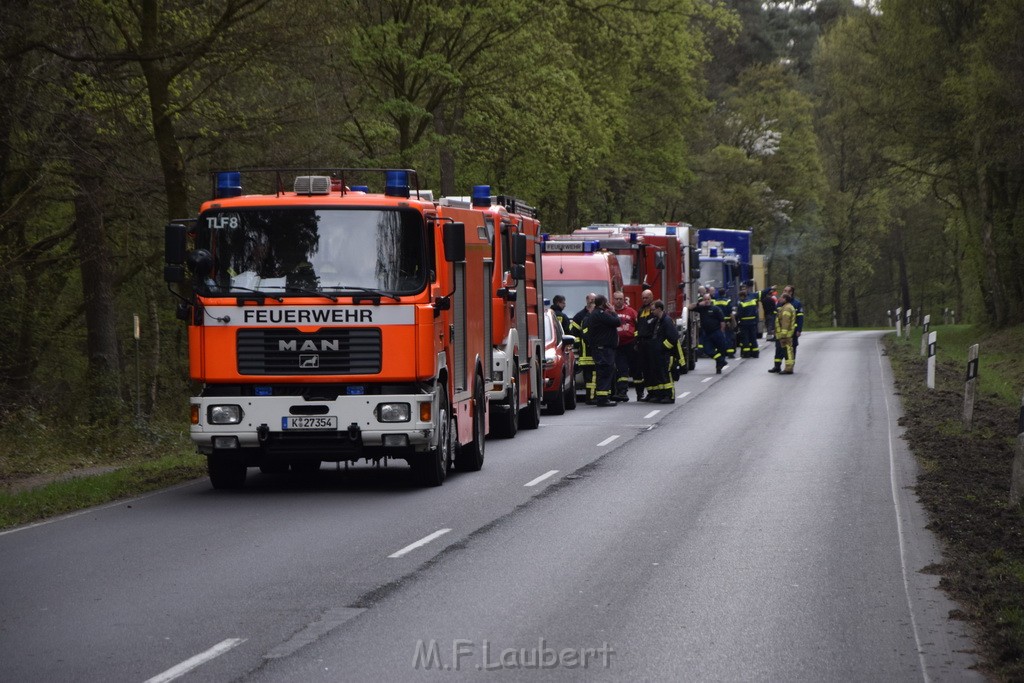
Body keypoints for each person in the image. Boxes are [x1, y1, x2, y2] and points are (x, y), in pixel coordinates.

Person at [586, 294, 620, 406]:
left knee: (603, 372)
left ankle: (603, 397)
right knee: (605, 372)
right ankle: (602, 399)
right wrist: (613, 311)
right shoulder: (600, 314)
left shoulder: (595, 314)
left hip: (600, 348)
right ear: (603, 303)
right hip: (604, 349)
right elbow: (617, 322)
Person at [651, 299, 681, 403]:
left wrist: (662, 348)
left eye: (653, 310)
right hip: (660, 354)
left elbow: (673, 338)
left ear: (659, 309)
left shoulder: (667, 321)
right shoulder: (658, 320)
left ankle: (670, 396)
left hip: (666, 354)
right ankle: (663, 394)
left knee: (667, 375)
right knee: (660, 374)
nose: (652, 312)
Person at [611, 291, 638, 402]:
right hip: (618, 346)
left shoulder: (631, 312)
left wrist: (636, 339)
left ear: (624, 299)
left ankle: (640, 393)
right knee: (621, 370)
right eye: (616, 299)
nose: (618, 301)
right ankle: (622, 392)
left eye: (620, 299)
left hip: (631, 344)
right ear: (613, 300)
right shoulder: (610, 312)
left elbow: (638, 325)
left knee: (636, 369)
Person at [570, 293, 597, 402]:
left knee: (592, 377)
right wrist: (578, 345)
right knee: (591, 377)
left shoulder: (596, 315)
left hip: (591, 353)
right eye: (591, 299)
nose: (593, 301)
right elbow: (573, 333)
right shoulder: (579, 316)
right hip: (586, 352)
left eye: (594, 299)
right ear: (587, 300)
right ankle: (591, 397)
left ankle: (593, 396)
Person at [634, 289, 658, 401]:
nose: (644, 300)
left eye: (646, 297)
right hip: (642, 343)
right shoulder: (641, 311)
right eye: (643, 298)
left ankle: (655, 393)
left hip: (651, 343)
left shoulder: (654, 310)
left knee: (653, 369)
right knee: (645, 369)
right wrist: (636, 341)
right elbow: (637, 328)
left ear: (652, 297)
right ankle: (650, 392)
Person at [695, 293, 729, 373]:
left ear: (711, 300)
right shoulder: (701, 308)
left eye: (708, 299)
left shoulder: (716, 309)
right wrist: (698, 304)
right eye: (705, 299)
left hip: (717, 332)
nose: (706, 301)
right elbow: (689, 307)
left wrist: (722, 332)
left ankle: (719, 367)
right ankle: (721, 360)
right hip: (707, 334)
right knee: (707, 350)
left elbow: (722, 321)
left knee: (721, 350)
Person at [770, 292, 797, 374]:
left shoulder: (786, 308)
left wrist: (783, 335)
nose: (779, 299)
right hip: (786, 334)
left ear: (785, 299)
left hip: (786, 335)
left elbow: (785, 323)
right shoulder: (787, 307)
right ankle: (786, 368)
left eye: (781, 298)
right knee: (786, 351)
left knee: (787, 351)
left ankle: (788, 369)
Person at [735, 284, 760, 358]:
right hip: (753, 323)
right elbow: (756, 312)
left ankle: (746, 353)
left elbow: (739, 314)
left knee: (745, 339)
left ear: (741, 296)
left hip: (744, 324)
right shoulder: (752, 302)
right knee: (753, 338)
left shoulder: (742, 303)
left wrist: (737, 320)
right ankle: (755, 353)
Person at [712, 288, 736, 357]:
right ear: (725, 293)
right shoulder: (727, 301)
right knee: (728, 337)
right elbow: (730, 313)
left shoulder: (715, 301)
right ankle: (730, 353)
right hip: (726, 321)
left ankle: (721, 352)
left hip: (717, 322)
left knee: (719, 337)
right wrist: (733, 322)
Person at [782, 284, 804, 358]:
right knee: (780, 348)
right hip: (782, 331)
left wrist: (799, 330)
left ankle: (790, 365)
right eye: (784, 290)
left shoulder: (797, 303)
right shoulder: (781, 302)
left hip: (793, 330)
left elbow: (800, 318)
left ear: (791, 292)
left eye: (786, 291)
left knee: (792, 347)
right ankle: (777, 366)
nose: (784, 292)